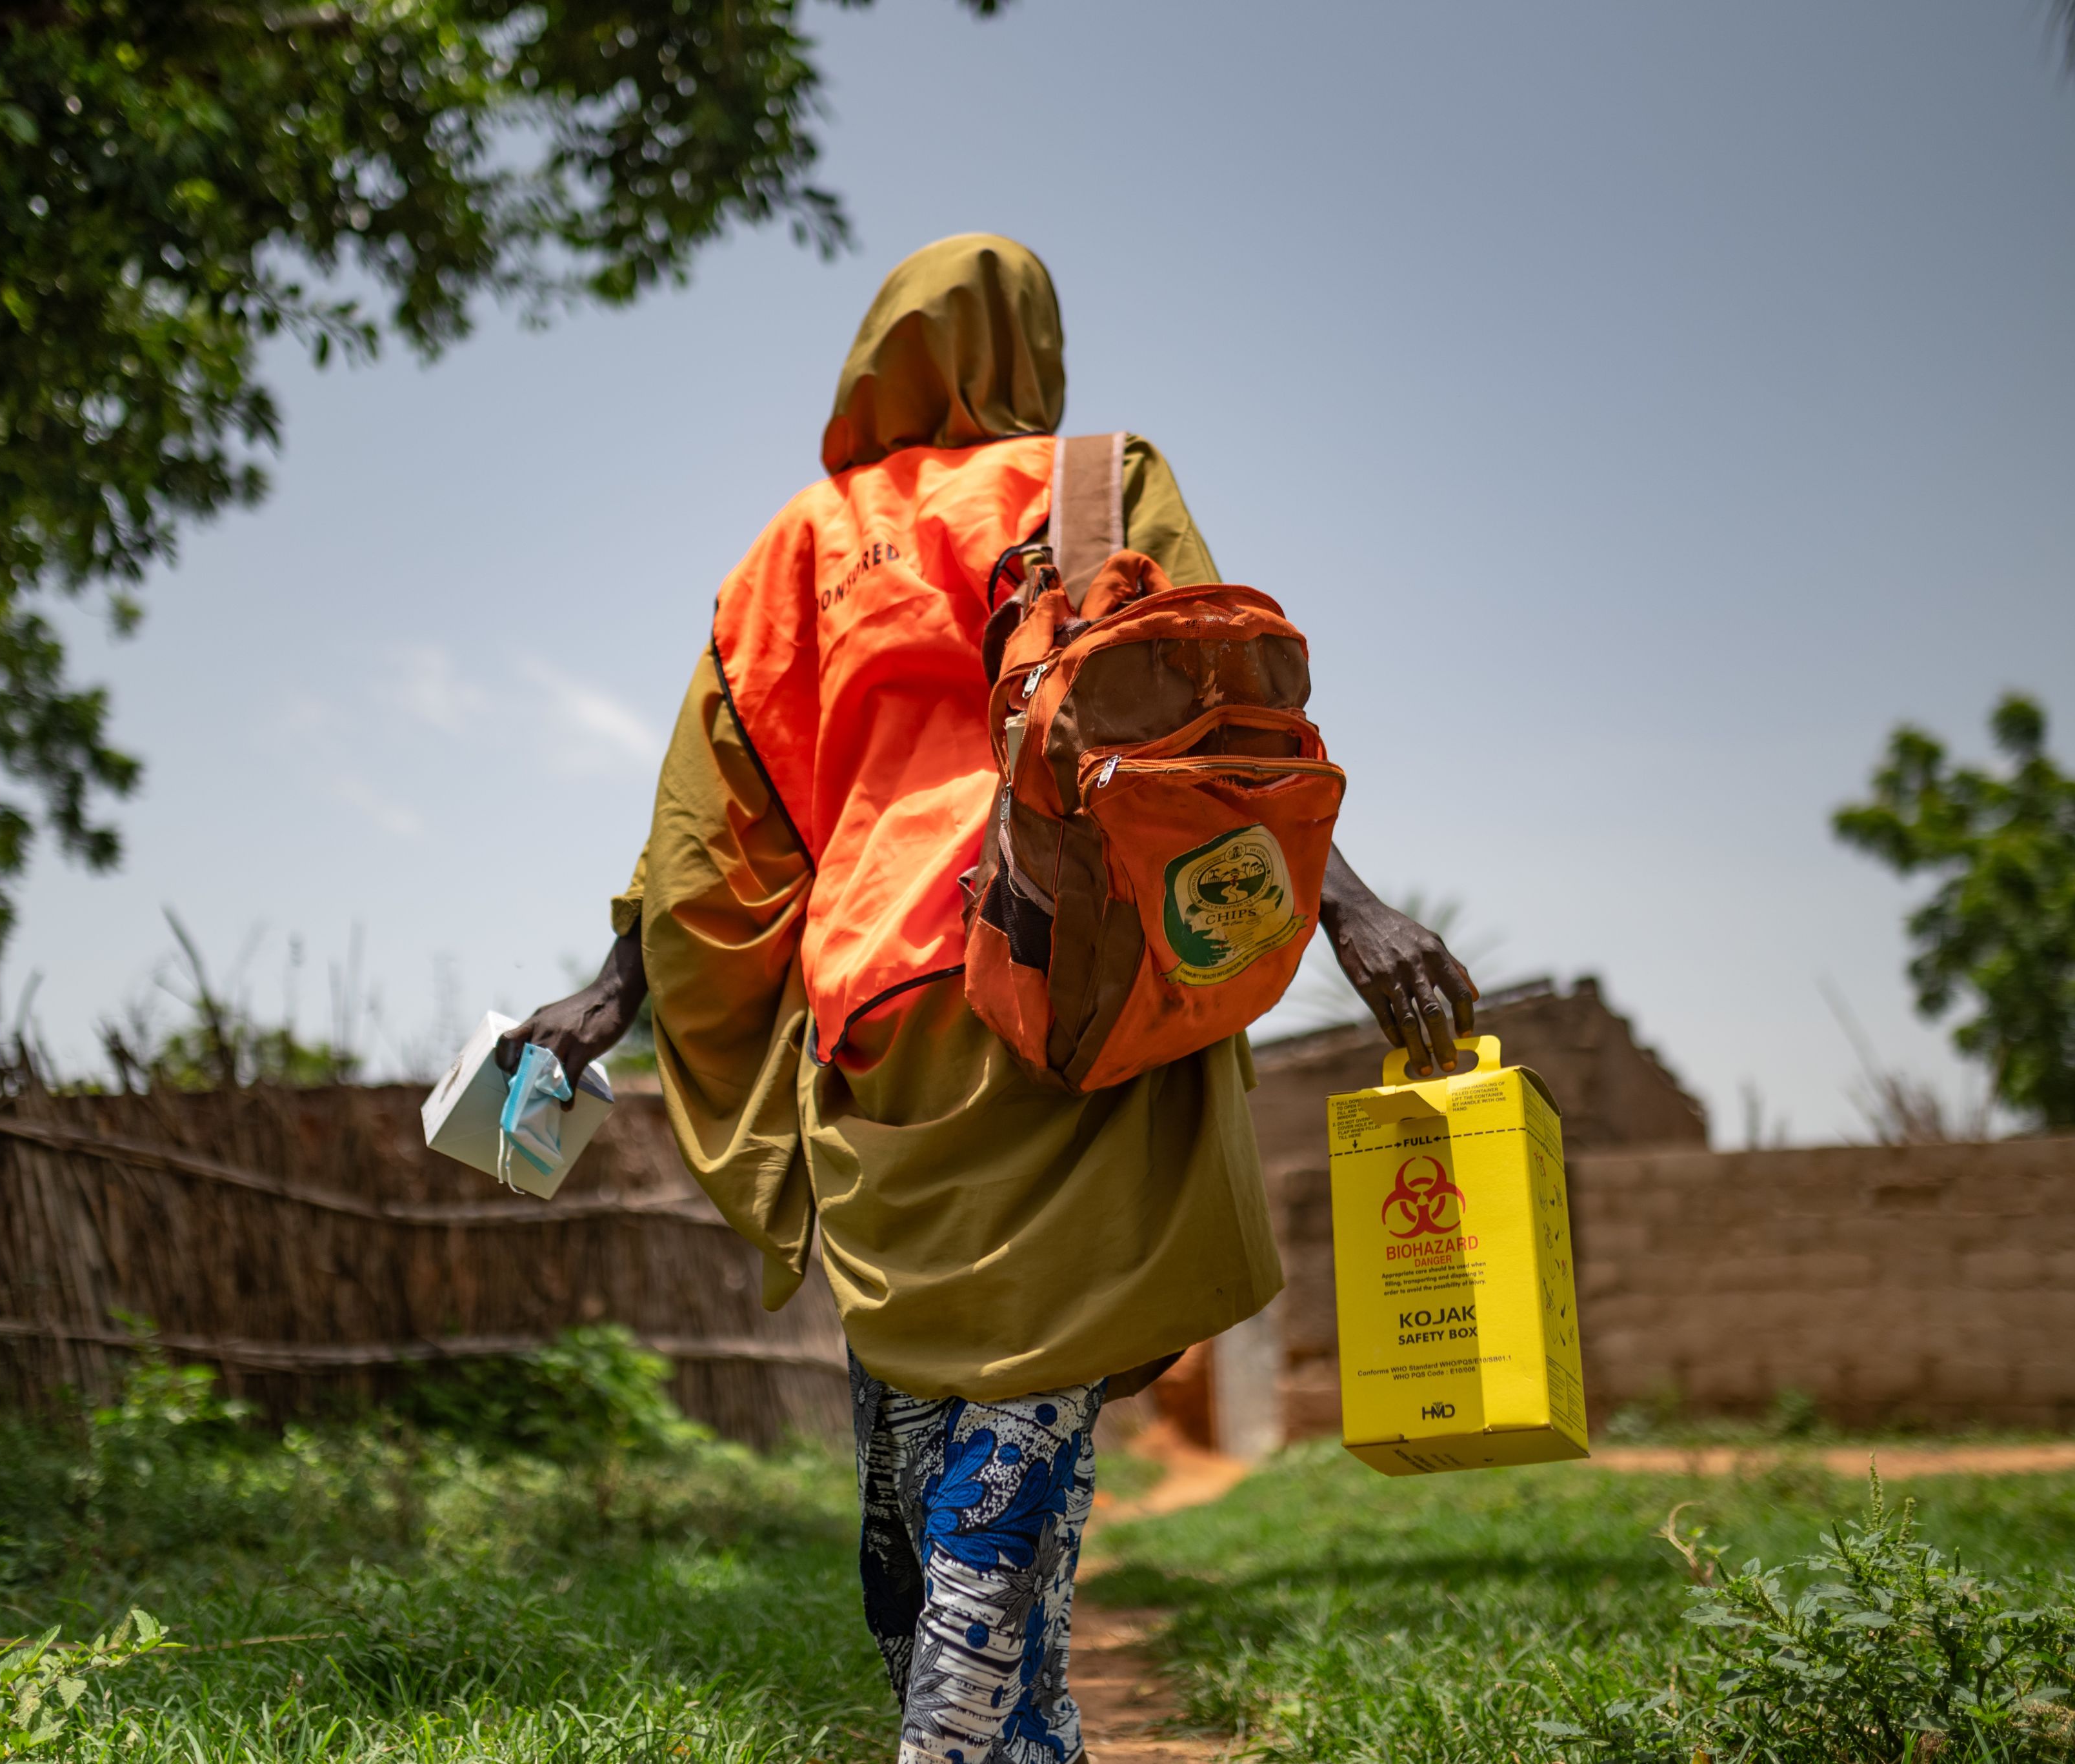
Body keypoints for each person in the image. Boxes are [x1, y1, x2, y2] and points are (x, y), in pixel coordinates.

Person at [499, 234, 1474, 1764]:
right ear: (1029, 348)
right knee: (1026, 1410)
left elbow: (708, 840)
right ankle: (951, 1731)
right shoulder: (1092, 486)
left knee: (926, 1422)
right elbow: (1212, 728)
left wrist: (614, 988)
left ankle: (1016, 1732)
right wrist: (1351, 913)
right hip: (1070, 1002)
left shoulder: (787, 553)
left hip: (873, 1020)